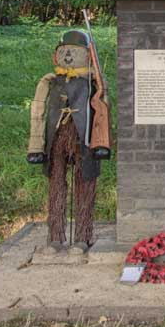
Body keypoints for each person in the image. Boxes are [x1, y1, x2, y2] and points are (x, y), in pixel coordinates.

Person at [27, 30, 107, 252]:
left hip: (85, 142)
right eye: (65, 51)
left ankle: (82, 235)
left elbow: (101, 114)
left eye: (75, 51)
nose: (69, 55)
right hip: (56, 141)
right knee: (56, 187)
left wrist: (102, 144)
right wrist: (35, 146)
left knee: (85, 185)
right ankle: (55, 236)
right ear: (57, 54)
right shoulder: (49, 83)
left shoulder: (94, 83)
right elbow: (38, 112)